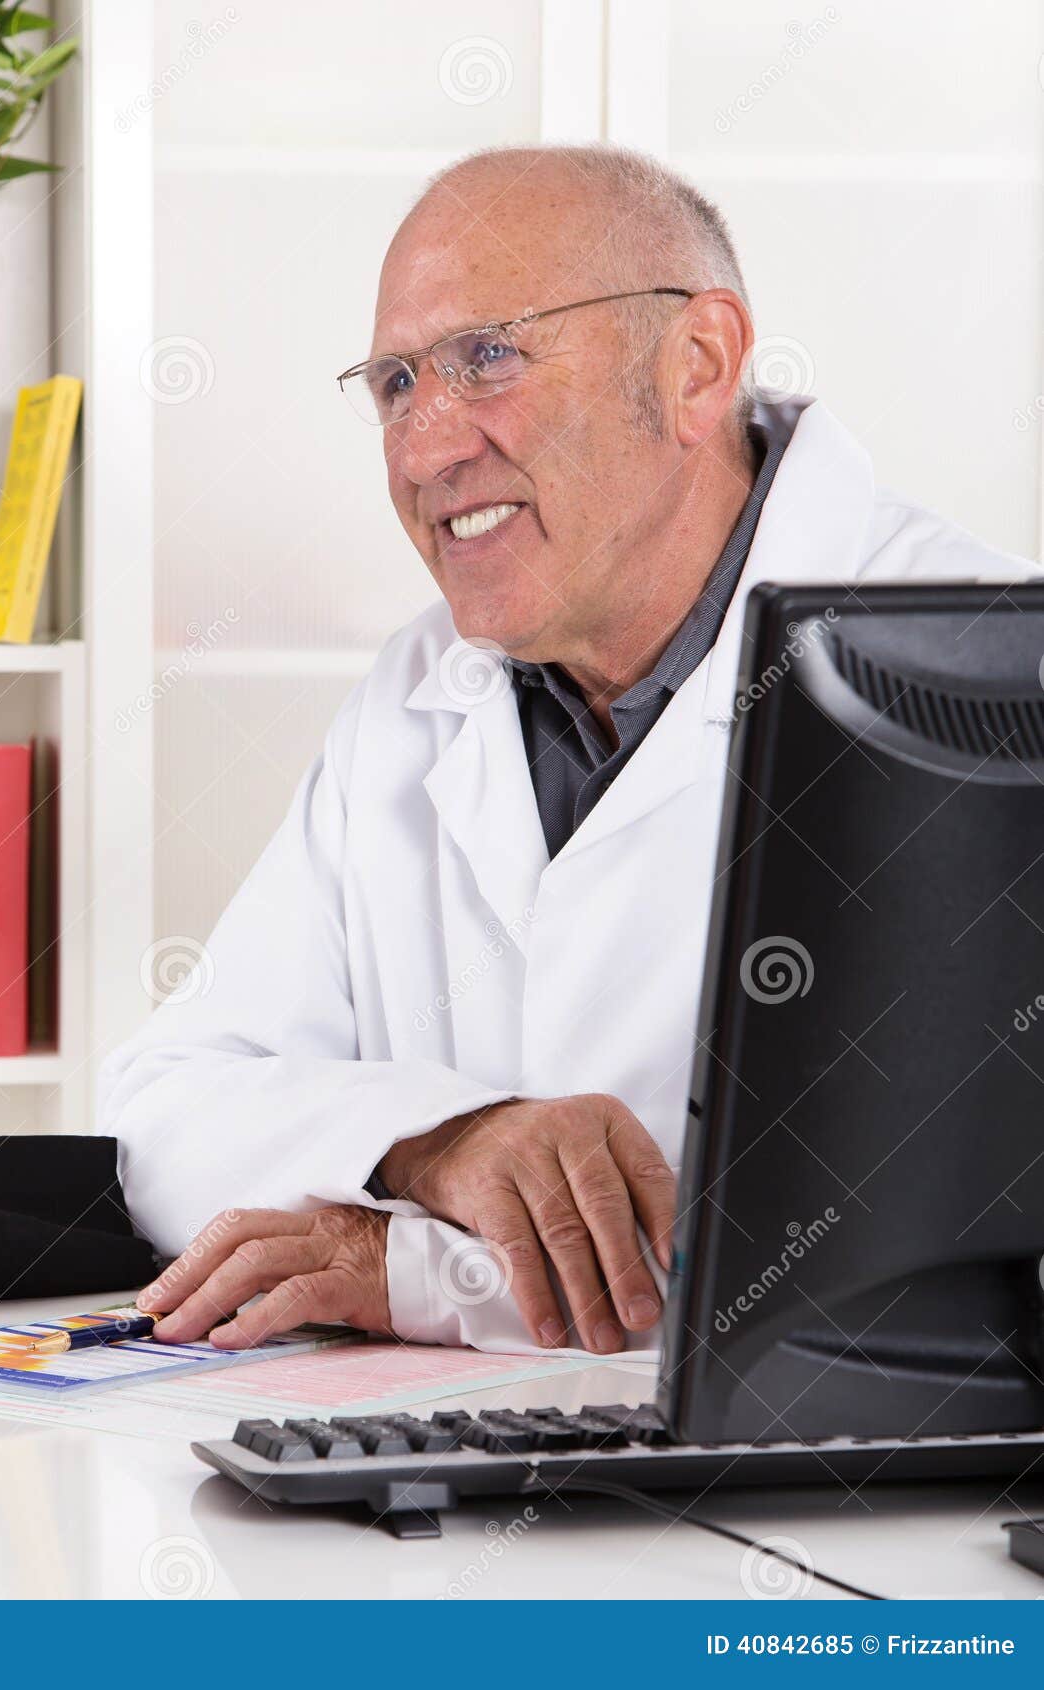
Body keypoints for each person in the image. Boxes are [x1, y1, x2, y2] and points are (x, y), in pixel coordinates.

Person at [98, 144, 1028, 1356]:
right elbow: (159, 1111)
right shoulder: (415, 697)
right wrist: (443, 1141)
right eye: (392, 384)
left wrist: (415, 1269)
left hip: (853, 1527)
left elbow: (899, 1274)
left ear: (695, 366)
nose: (425, 452)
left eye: (489, 356)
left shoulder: (990, 672)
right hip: (450, 1501)